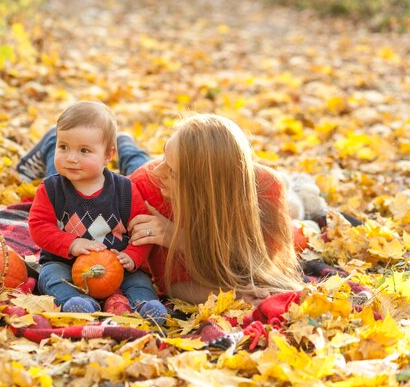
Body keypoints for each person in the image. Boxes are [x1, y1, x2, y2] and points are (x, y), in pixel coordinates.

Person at [19, 112, 304, 306]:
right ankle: (51, 144)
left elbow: (262, 267)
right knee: (79, 178)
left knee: (134, 159)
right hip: (139, 184)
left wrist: (180, 239)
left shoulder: (268, 190)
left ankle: (125, 143)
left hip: (163, 190)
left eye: (174, 171)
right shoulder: (145, 186)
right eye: (165, 156)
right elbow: (173, 286)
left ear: (202, 188)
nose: (160, 172)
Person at [27, 101, 168, 325]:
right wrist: (71, 244)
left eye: (84, 151)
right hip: (66, 263)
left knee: (140, 280)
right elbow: (39, 227)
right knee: (50, 276)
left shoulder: (124, 190)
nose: (71, 157)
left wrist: (133, 255)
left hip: (118, 265)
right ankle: (77, 303)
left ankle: (145, 306)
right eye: (63, 147)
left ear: (108, 155)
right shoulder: (51, 189)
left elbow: (142, 229)